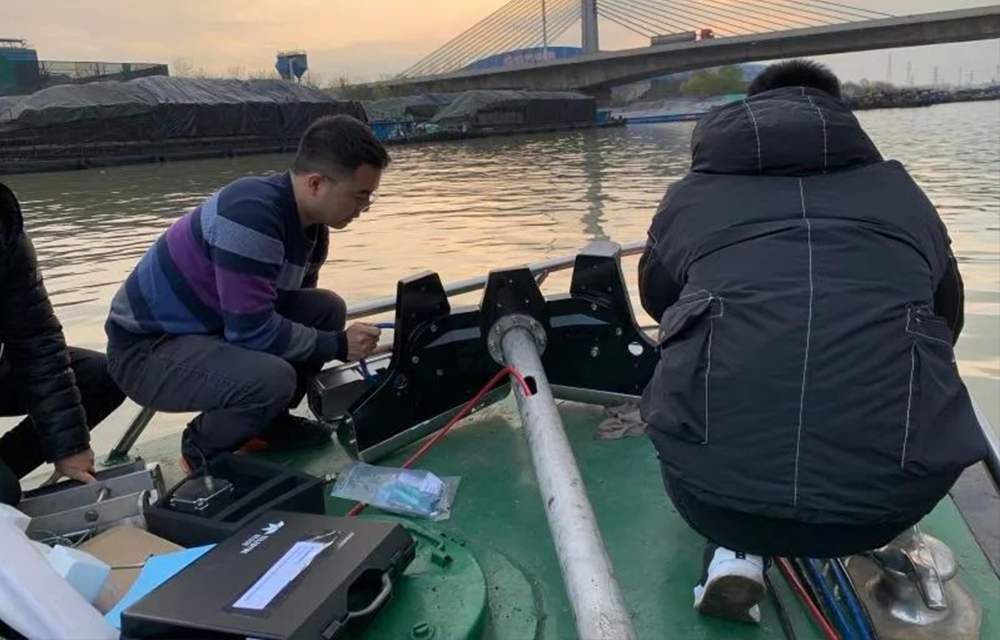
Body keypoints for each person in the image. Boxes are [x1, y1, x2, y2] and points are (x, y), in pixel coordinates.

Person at [638, 60, 988, 624]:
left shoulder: (691, 197)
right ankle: (884, 529)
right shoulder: (901, 194)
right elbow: (947, 320)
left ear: (751, 110)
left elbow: (658, 301)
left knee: (700, 373)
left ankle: (734, 553)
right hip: (891, 503)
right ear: (837, 113)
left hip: (712, 499)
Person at [105, 115, 389, 471]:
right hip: (147, 350)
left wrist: (335, 340)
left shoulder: (312, 229)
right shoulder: (250, 216)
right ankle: (201, 452)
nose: (363, 208)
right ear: (316, 183)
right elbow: (252, 331)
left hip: (212, 329)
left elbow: (287, 317)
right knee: (273, 379)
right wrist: (338, 345)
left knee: (325, 309)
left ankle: (268, 424)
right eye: (359, 196)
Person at [0, 182, 125, 506]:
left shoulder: (5, 229)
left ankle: (6, 468)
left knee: (101, 376)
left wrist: (69, 445)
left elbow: (36, 340)